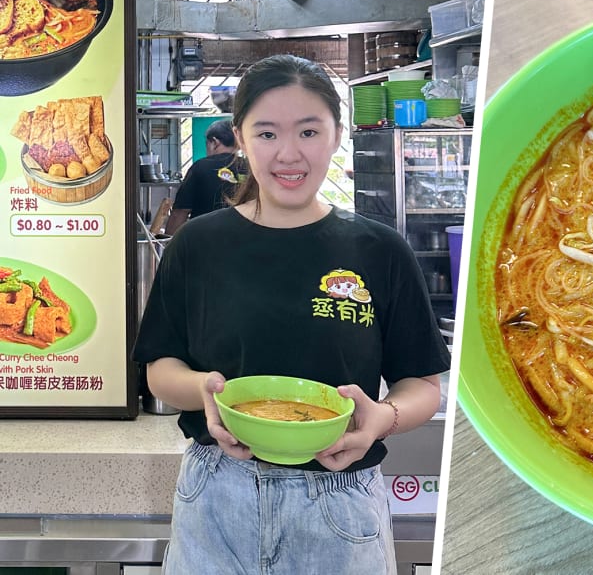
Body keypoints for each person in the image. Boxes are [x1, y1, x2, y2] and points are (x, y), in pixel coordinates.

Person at [132, 54, 449, 574]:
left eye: (308, 131)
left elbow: (421, 384)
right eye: (266, 134)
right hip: (218, 494)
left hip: (340, 499)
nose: (288, 154)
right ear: (240, 137)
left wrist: (380, 420)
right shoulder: (200, 243)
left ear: (336, 134)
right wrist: (205, 394)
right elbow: (160, 370)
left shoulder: (380, 250)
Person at [164, 118, 246, 235]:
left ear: (215, 142)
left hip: (204, 240)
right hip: (243, 238)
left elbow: (180, 212)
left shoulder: (200, 167)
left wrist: (168, 245)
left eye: (206, 144)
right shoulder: (251, 168)